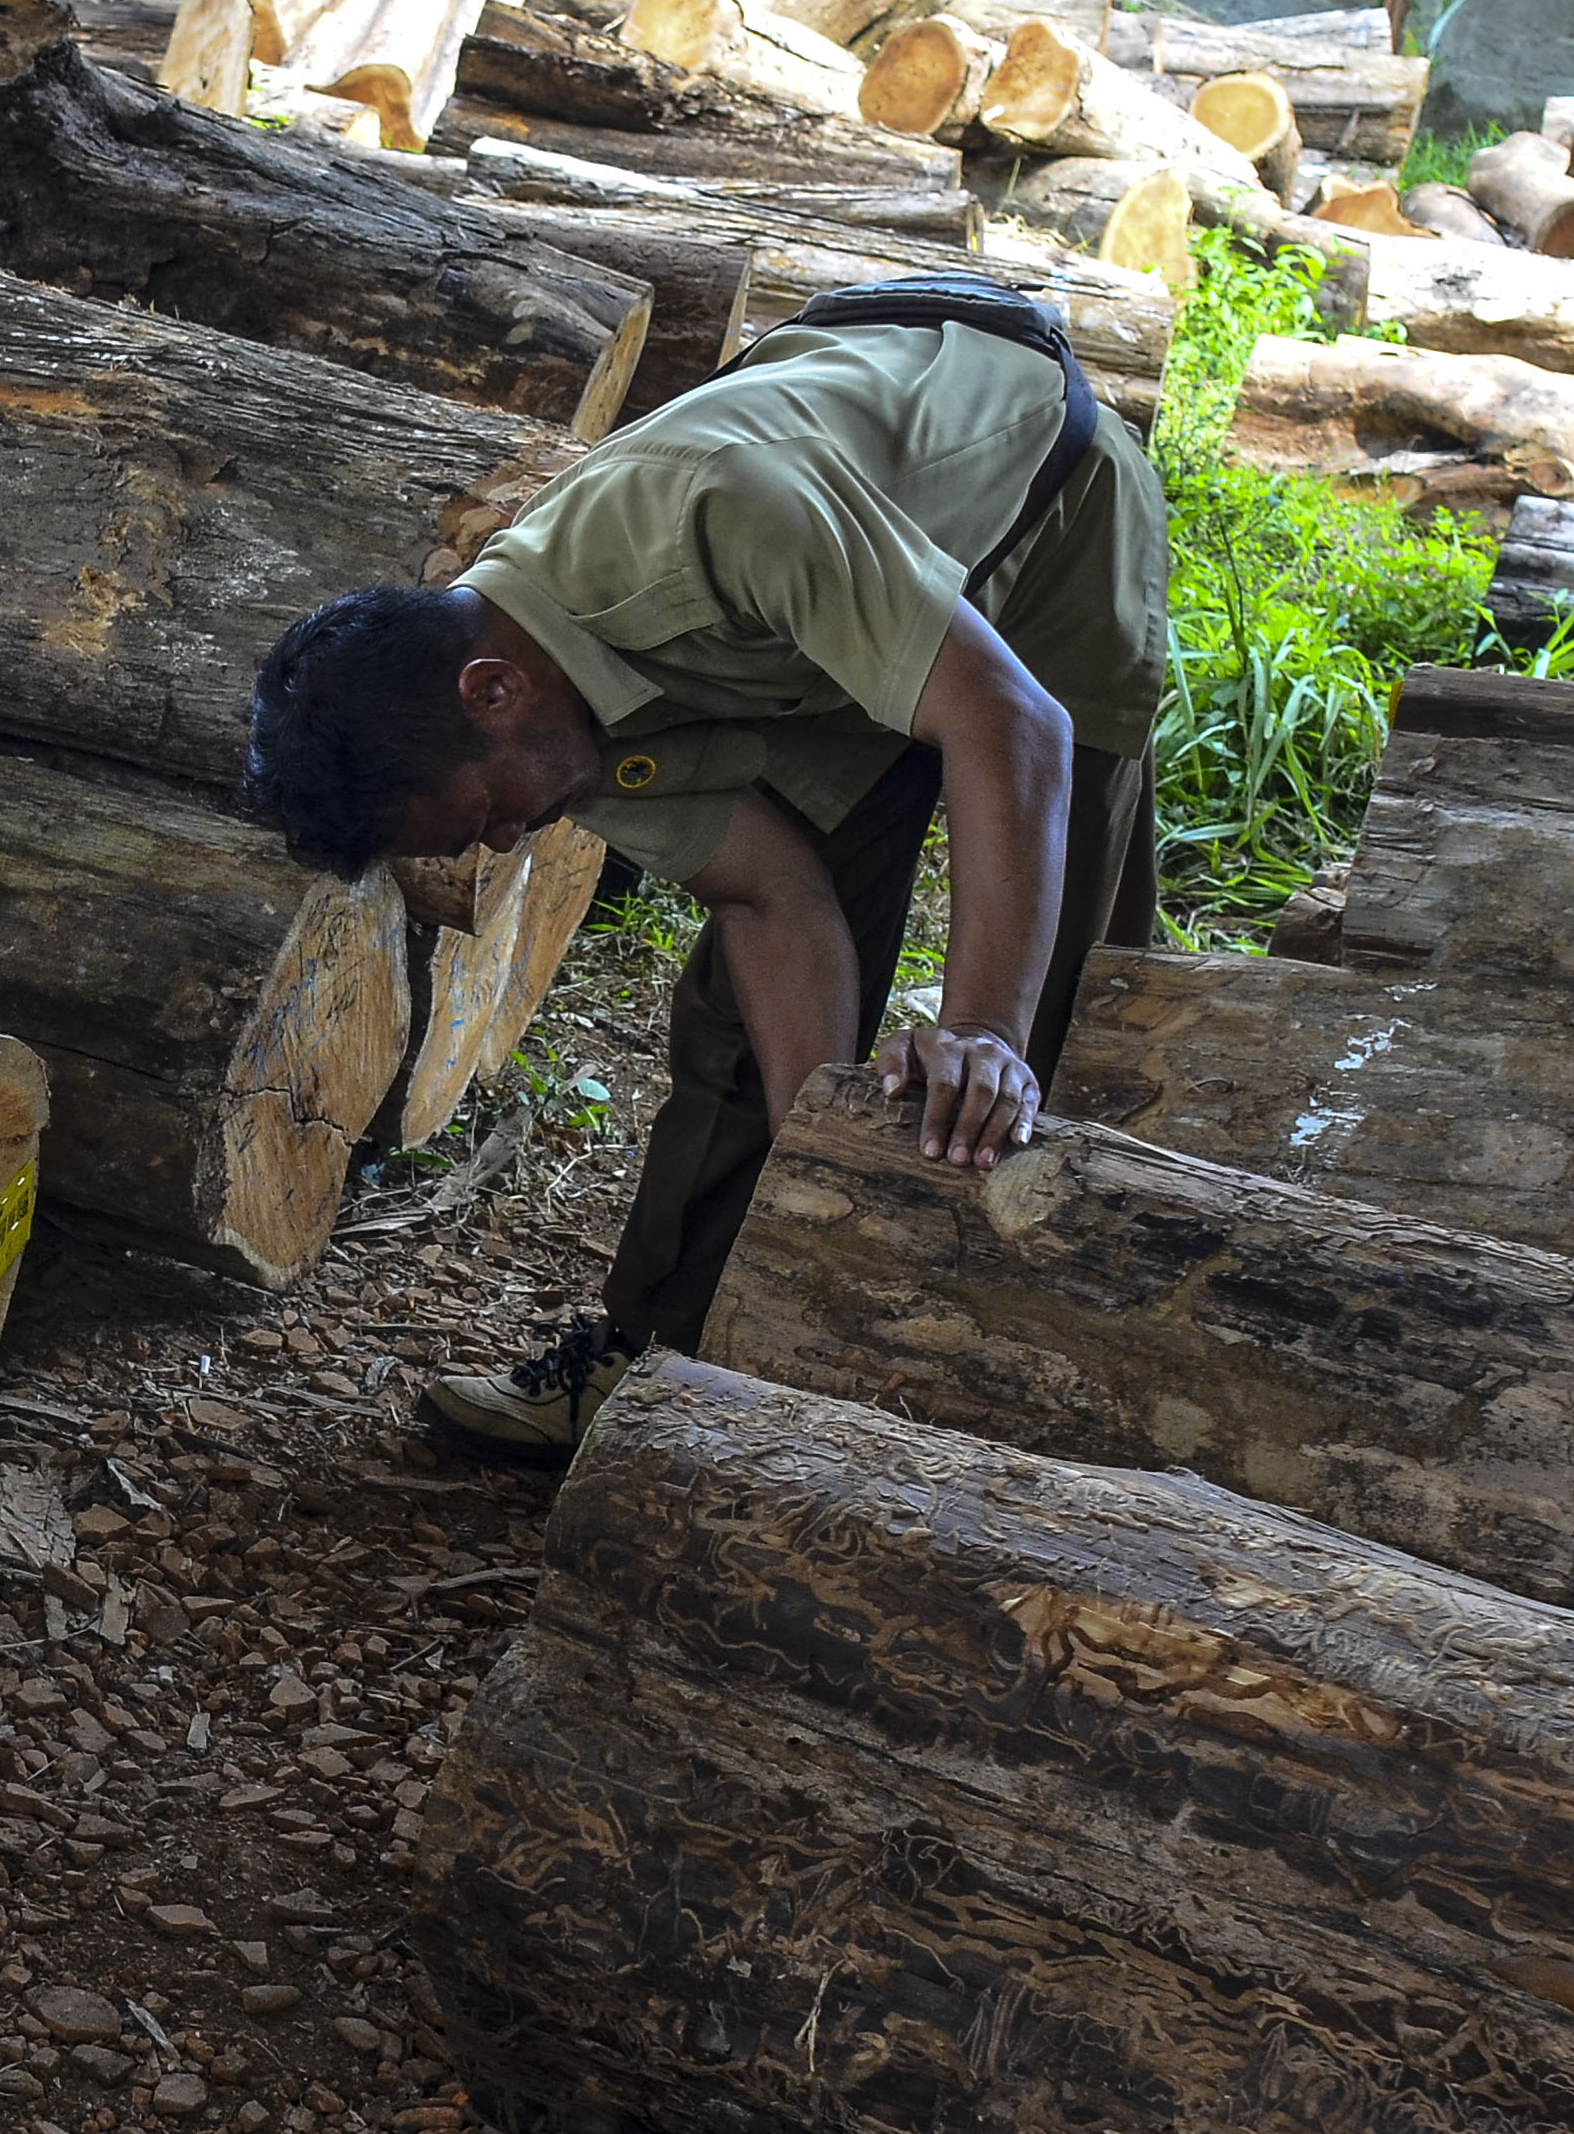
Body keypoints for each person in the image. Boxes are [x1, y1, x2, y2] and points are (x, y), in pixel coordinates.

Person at [241, 284, 1174, 1472]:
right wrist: (817, 1176)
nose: (501, 846)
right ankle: (672, 1354)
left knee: (1050, 1023)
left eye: (478, 819)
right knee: (739, 1019)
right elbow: (773, 897)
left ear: (492, 692)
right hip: (806, 606)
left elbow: (1016, 727)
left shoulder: (716, 510)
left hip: (1039, 493)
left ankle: (1033, 1420)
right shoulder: (545, 721)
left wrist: (982, 1025)